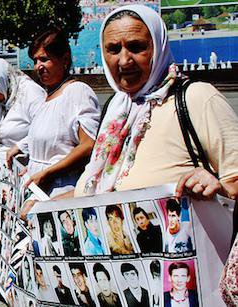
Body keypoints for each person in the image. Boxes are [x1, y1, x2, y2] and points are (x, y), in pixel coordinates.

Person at [72, 5, 238, 203]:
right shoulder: (115, 109)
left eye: (136, 47)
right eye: (114, 49)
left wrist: (220, 189)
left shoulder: (196, 98)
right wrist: (45, 204)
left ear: (158, 46)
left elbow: (234, 180)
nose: (124, 61)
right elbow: (99, 193)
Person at [7, 27, 100, 197]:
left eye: (44, 59)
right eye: (35, 61)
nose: (38, 67)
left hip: (61, 191)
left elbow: (88, 145)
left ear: (64, 59)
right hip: (38, 188)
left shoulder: (77, 92)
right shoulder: (47, 97)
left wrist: (48, 172)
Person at [0, 58, 46, 156]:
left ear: (0, 83)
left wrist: (20, 147)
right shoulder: (4, 95)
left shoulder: (31, 93)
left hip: (25, 163)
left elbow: (45, 129)